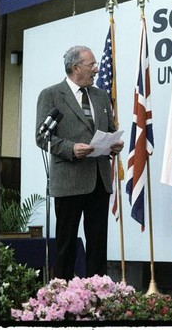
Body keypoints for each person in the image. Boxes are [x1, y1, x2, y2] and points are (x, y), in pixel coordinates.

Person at [35, 45, 124, 280]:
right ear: (76, 68)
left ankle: (97, 295)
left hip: (99, 180)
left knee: (98, 244)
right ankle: (62, 296)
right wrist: (71, 149)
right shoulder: (51, 95)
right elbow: (42, 137)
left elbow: (110, 129)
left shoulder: (100, 95)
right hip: (69, 181)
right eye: (91, 65)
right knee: (66, 245)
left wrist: (115, 144)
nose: (95, 69)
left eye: (95, 65)